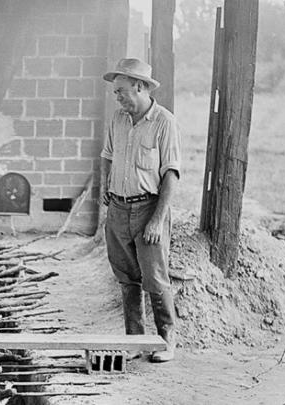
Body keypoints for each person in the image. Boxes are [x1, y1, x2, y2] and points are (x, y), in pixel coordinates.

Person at [100, 58, 181, 363]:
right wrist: (104, 190)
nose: (116, 96)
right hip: (118, 209)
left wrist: (157, 220)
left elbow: (171, 174)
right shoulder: (118, 120)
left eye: (120, 91)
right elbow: (106, 156)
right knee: (127, 279)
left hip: (149, 209)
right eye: (115, 91)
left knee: (156, 279)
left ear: (139, 87)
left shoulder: (164, 122)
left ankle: (165, 341)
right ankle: (134, 341)